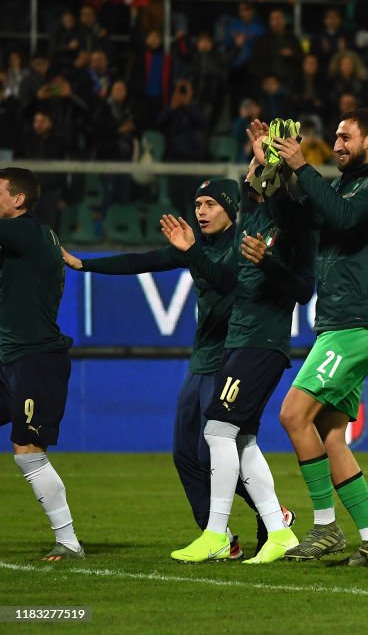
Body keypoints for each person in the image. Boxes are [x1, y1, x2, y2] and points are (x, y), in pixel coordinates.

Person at [62, 178, 289, 559]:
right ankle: (220, 538)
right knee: (185, 453)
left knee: (212, 450)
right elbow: (142, 261)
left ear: (230, 208)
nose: (201, 211)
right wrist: (84, 264)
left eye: (210, 204)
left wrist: (191, 252)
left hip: (232, 358)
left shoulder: (242, 244)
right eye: (197, 204)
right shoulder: (195, 248)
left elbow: (228, 282)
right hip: (201, 359)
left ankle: (274, 518)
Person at [271, 108, 368, 567]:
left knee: (293, 415)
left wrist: (300, 167)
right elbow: (304, 220)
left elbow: (345, 218)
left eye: (345, 137)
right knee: (331, 435)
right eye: (334, 137)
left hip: (358, 323)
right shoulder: (340, 186)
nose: (337, 144)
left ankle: (326, 527)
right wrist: (272, 179)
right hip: (337, 322)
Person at [171, 140, 315, 563]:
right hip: (237, 343)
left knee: (217, 430)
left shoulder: (294, 223)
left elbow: (304, 290)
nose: (253, 169)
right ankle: (279, 530)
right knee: (240, 439)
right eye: (252, 163)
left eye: (261, 164)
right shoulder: (250, 216)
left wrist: (269, 262)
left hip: (262, 344)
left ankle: (216, 533)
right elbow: (222, 278)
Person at [0, 168, 79, 560]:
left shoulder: (25, 232)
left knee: (27, 449)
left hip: (36, 358)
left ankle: (68, 541)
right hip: (9, 357)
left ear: (19, 200)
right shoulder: (24, 238)